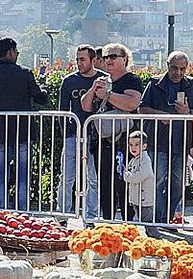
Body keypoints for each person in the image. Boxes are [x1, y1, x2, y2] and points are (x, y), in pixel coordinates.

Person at [0, 36, 46, 210]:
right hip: (23, 132)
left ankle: (0, 208)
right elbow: (40, 98)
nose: (17, 54)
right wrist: (44, 88)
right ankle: (23, 209)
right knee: (23, 175)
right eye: (16, 51)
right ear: (11, 52)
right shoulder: (25, 73)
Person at [81, 43, 145, 218]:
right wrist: (93, 89)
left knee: (125, 184)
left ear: (124, 59)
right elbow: (86, 106)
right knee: (105, 185)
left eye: (113, 56)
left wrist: (108, 95)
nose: (108, 60)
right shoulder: (101, 80)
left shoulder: (132, 80)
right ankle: (108, 221)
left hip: (125, 143)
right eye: (105, 57)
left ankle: (128, 222)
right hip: (101, 143)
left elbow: (132, 103)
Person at [141, 52, 193, 224]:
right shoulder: (155, 83)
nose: (178, 72)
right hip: (158, 141)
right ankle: (158, 219)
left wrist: (187, 112)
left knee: (178, 184)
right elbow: (142, 108)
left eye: (182, 69)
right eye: (174, 68)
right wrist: (159, 115)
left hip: (181, 142)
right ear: (167, 66)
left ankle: (165, 217)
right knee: (158, 181)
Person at [58, 45, 102, 217]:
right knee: (67, 177)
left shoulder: (102, 79)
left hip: (95, 134)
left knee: (94, 177)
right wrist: (66, 134)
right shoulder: (69, 81)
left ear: (93, 60)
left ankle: (91, 215)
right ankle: (63, 213)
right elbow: (62, 110)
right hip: (73, 134)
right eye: (77, 59)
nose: (79, 63)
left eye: (82, 59)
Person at [122, 131, 156, 222]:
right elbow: (130, 171)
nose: (133, 147)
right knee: (140, 219)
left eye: (137, 144)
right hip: (137, 198)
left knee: (147, 221)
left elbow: (139, 176)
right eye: (131, 145)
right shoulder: (134, 159)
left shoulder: (145, 159)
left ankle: (153, 232)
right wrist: (123, 170)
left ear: (144, 146)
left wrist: (126, 176)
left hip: (145, 199)